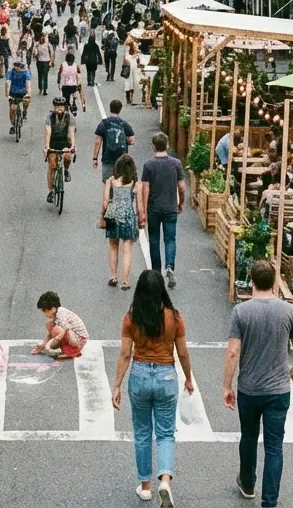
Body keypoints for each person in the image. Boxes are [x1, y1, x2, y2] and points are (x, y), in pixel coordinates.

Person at [223, 259, 293, 508]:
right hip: (278, 389)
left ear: (252, 281)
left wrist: (227, 385)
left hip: (249, 388)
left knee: (249, 436)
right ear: (274, 282)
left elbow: (233, 352)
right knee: (274, 446)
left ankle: (248, 483)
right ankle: (269, 501)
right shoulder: (289, 311)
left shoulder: (241, 312)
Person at [112, 270, 195, 506]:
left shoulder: (132, 317)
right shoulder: (174, 318)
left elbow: (125, 354)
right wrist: (188, 379)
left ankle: (146, 487)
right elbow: (183, 353)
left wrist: (117, 385)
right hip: (166, 375)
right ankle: (165, 480)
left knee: (142, 432)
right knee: (166, 432)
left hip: (139, 374)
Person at [140, 133, 187, 286]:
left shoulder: (148, 165)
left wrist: (144, 211)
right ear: (167, 145)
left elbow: (145, 189)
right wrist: (181, 202)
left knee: (154, 240)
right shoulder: (176, 164)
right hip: (170, 207)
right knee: (170, 239)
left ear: (153, 146)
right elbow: (182, 187)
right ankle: (170, 266)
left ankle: (156, 273)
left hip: (154, 208)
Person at [102, 154, 144, 289]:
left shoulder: (111, 181)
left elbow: (105, 202)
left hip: (112, 216)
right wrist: (141, 220)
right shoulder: (136, 184)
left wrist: (103, 215)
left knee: (113, 245)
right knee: (127, 249)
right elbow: (140, 206)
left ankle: (113, 276)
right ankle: (125, 281)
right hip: (128, 217)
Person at [32, 290, 89, 359]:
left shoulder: (61, 315)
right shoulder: (56, 314)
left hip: (80, 339)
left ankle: (72, 351)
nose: (44, 313)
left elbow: (63, 331)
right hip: (73, 337)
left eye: (45, 310)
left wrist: (52, 344)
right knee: (49, 324)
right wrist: (43, 344)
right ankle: (66, 348)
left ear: (53, 309)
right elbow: (51, 333)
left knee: (57, 330)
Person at [93, 99, 136, 181]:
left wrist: (95, 159)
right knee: (121, 182)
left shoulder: (104, 123)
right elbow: (132, 141)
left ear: (110, 109)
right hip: (122, 158)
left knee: (107, 183)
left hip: (107, 158)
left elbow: (98, 142)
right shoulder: (124, 124)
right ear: (120, 109)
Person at [44, 97, 76, 203]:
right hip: (53, 141)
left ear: (65, 107)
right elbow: (47, 132)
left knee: (67, 156)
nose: (59, 108)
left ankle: (66, 170)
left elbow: (71, 133)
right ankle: (51, 191)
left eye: (61, 106)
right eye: (57, 106)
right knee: (52, 166)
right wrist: (47, 147)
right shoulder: (50, 117)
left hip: (64, 141)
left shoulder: (70, 118)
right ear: (54, 107)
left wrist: (73, 146)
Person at [5, 58, 33, 134]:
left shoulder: (26, 73)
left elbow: (28, 84)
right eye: (16, 65)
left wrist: (28, 94)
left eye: (19, 66)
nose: (17, 68)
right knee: (12, 109)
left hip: (23, 92)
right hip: (13, 93)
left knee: (26, 100)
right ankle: (13, 125)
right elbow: (8, 83)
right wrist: (7, 95)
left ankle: (24, 110)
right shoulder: (11, 73)